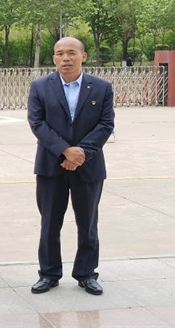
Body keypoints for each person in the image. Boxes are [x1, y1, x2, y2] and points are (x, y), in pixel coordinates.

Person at [27, 37, 114, 296]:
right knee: (50, 223)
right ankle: (49, 273)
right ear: (54, 58)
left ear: (83, 56)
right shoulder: (40, 87)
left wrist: (80, 153)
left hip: (88, 167)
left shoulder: (101, 87)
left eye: (72, 53)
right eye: (60, 53)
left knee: (88, 223)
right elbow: (37, 123)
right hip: (50, 166)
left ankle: (86, 274)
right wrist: (65, 150)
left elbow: (106, 124)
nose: (66, 58)